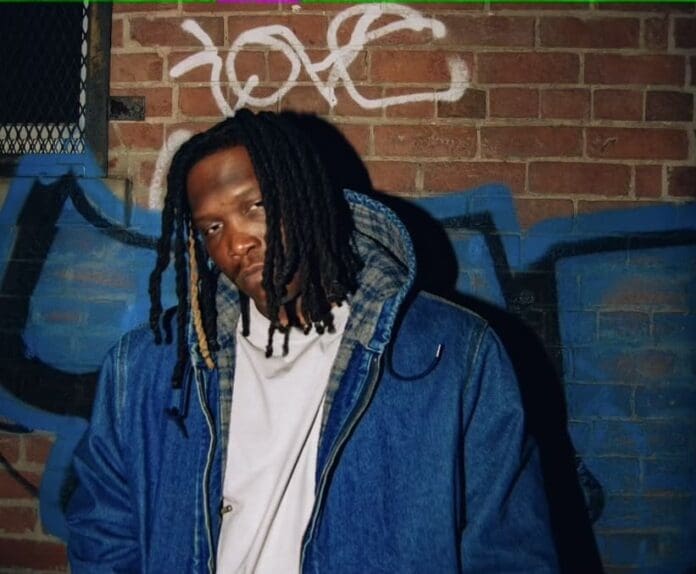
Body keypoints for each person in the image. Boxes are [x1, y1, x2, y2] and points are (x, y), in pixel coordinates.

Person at [66, 109, 559, 573]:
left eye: (255, 205)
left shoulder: (450, 354)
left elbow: (507, 551)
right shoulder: (150, 365)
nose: (237, 242)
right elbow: (104, 530)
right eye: (213, 227)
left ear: (310, 198)